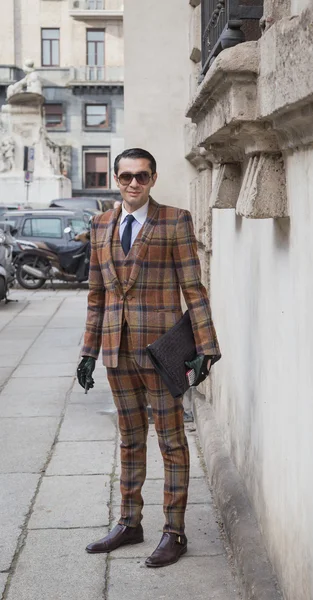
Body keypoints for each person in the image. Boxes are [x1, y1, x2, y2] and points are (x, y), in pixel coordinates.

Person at [77, 148, 220, 568]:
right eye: (125, 177)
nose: (133, 184)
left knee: (172, 442)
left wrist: (206, 347)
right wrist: (88, 352)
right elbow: (96, 295)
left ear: (153, 178)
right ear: (116, 180)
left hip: (161, 353)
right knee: (130, 440)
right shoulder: (101, 223)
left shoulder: (174, 220)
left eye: (141, 176)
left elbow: (194, 288)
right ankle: (129, 522)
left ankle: (174, 532)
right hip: (115, 353)